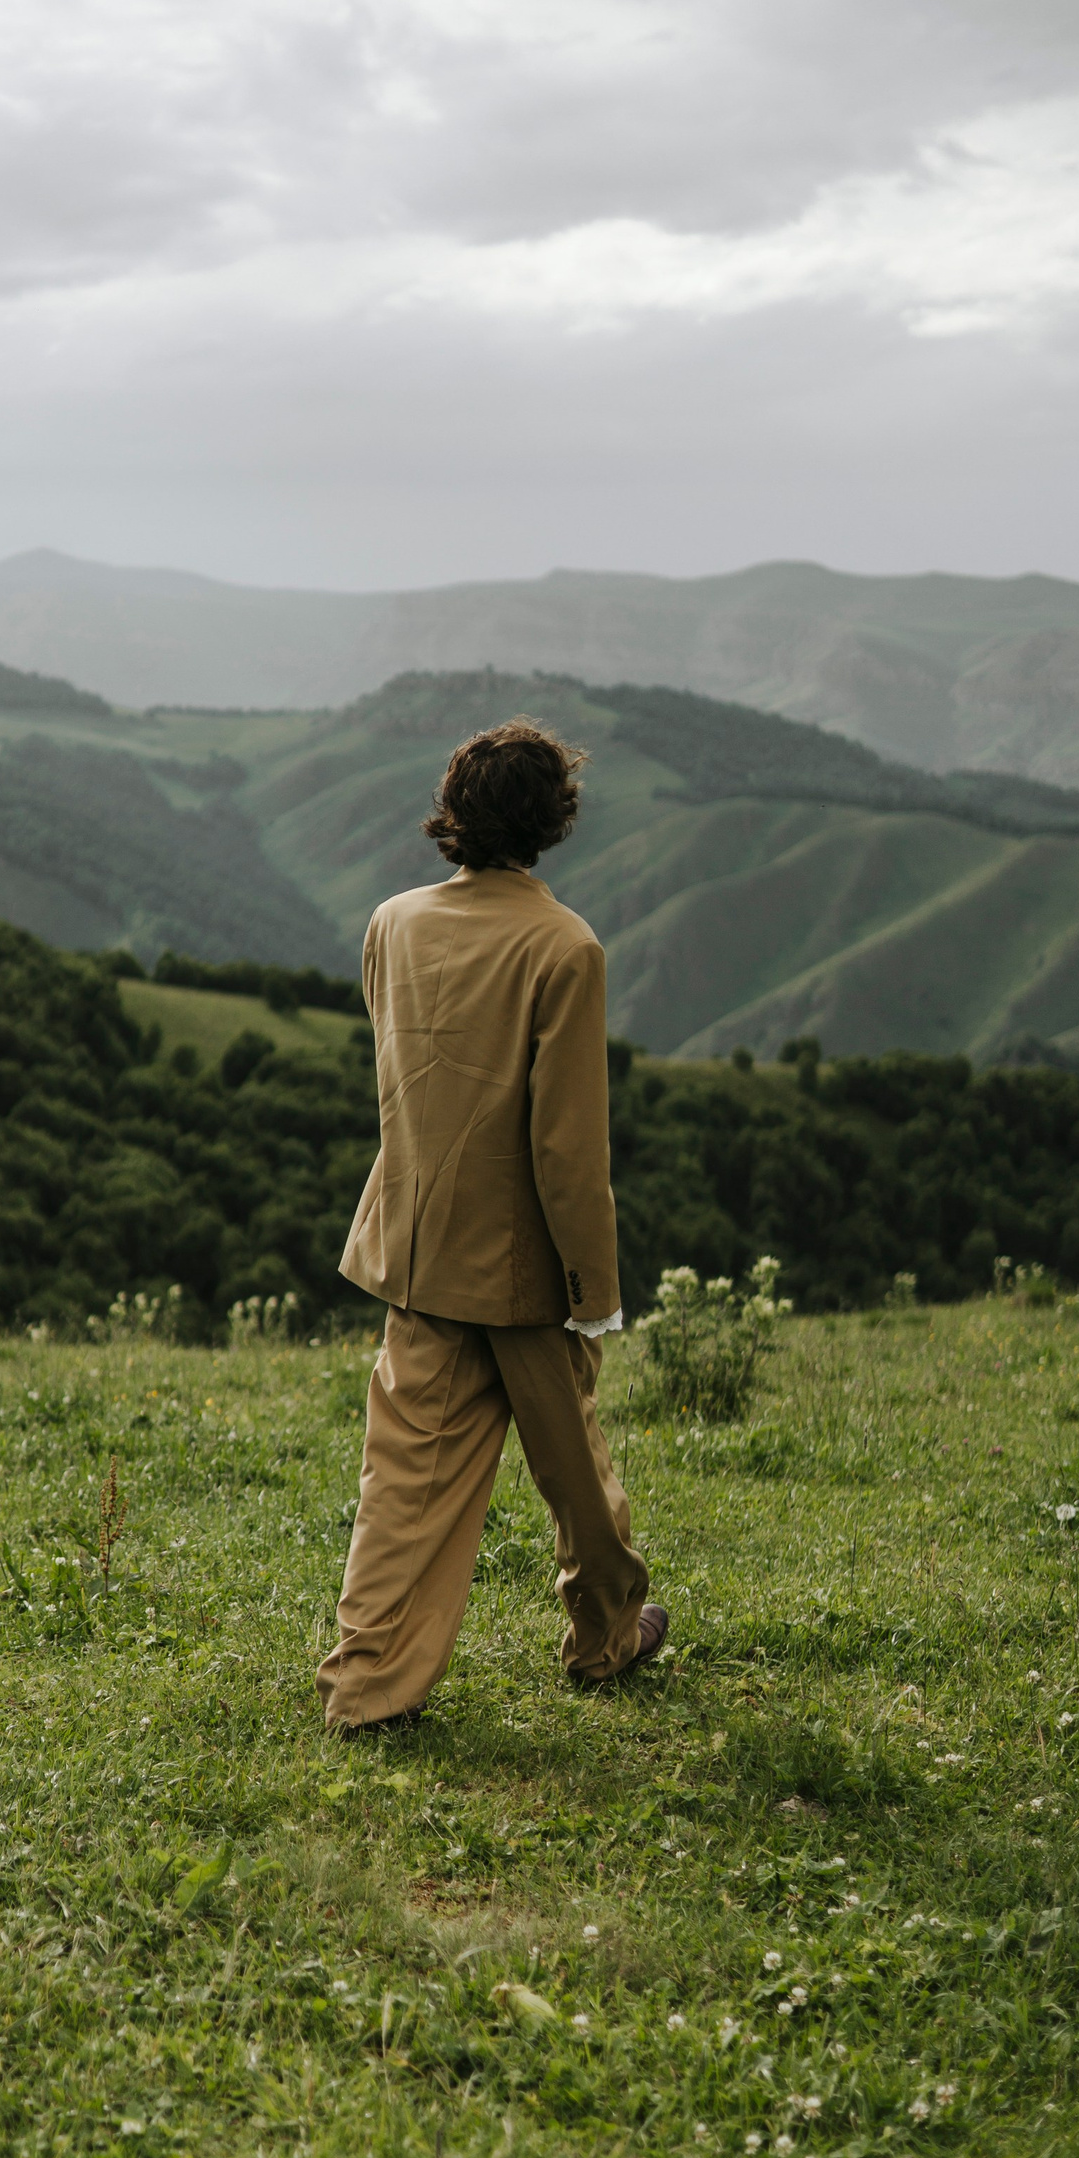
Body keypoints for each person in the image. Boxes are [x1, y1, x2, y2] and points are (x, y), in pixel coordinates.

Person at [317, 720, 665, 1731]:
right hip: (523, 1275)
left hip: (420, 1253)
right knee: (578, 1481)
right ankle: (605, 1638)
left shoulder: (392, 924)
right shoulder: (565, 947)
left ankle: (367, 1687)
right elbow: (568, 1150)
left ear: (454, 812)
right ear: (553, 820)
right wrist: (593, 1293)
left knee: (402, 1488)